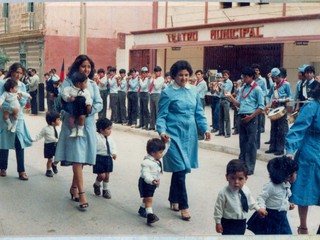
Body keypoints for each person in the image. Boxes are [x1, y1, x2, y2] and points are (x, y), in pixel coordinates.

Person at [156, 60, 211, 221]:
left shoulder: (193, 91)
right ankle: (184, 205)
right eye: (180, 75)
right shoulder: (167, 93)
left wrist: (205, 128)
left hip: (190, 136)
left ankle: (173, 198)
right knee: (180, 169)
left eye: (187, 75)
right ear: (174, 76)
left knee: (182, 170)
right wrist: (162, 131)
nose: (184, 78)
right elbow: (161, 116)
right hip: (173, 136)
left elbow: (199, 113)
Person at [55, 55, 102, 210]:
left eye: (89, 67)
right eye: (83, 66)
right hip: (72, 123)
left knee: (81, 158)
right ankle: (82, 193)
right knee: (76, 157)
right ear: (77, 67)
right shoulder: (69, 82)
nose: (86, 70)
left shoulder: (93, 84)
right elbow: (61, 101)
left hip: (87, 124)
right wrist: (75, 109)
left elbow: (99, 103)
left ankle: (74, 187)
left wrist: (88, 111)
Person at [285, 80, 320, 235]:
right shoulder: (312, 106)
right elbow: (297, 130)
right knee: (304, 190)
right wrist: (290, 151)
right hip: (310, 154)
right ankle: (303, 226)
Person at [225, 67, 264, 175]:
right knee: (242, 143)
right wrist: (230, 98)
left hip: (251, 118)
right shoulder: (242, 88)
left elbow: (261, 107)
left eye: (245, 77)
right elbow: (239, 104)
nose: (243, 79)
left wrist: (251, 117)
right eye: (243, 77)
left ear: (251, 77)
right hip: (241, 116)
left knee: (251, 143)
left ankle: (250, 167)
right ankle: (241, 166)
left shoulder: (257, 89)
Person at [248, 156, 298, 235]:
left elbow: (282, 200)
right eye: (295, 173)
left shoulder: (286, 184)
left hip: (282, 216)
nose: (296, 175)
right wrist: (262, 208)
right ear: (288, 176)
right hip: (270, 216)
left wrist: (288, 205)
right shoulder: (271, 186)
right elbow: (261, 197)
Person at [214, 159, 266, 235]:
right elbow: (218, 209)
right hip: (228, 222)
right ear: (227, 177)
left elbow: (250, 201)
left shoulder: (246, 190)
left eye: (240, 178)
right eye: (233, 178)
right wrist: (218, 223)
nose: (236, 182)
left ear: (246, 179)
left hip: (241, 222)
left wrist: (258, 209)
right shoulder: (223, 193)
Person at [0, 63, 33, 180]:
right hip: (5, 116)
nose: (18, 75)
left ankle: (21, 170)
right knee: (4, 142)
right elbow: (1, 100)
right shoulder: (3, 83)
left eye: (21, 73)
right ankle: (2, 167)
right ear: (11, 71)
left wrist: (21, 100)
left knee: (19, 141)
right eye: (16, 72)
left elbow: (24, 103)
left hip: (18, 117)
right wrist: (11, 108)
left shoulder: (22, 86)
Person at [138, 138, 168, 225]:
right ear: (153, 153)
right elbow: (145, 174)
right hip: (146, 183)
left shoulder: (156, 158)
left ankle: (142, 209)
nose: (162, 154)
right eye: (160, 152)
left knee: (147, 198)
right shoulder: (146, 162)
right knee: (149, 199)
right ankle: (150, 216)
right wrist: (151, 180)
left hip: (153, 183)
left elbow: (165, 151)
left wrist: (167, 143)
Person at [265, 67, 291, 156]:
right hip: (274, 106)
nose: (275, 80)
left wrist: (285, 99)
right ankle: (272, 147)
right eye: (273, 78)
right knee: (273, 127)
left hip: (282, 106)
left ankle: (280, 149)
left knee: (281, 129)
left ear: (280, 76)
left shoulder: (286, 84)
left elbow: (290, 96)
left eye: (276, 78)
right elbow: (268, 95)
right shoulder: (273, 85)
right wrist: (268, 103)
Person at [61, 72, 92, 137]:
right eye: (85, 83)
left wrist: (88, 105)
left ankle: (80, 129)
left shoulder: (86, 91)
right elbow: (64, 94)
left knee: (82, 117)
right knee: (70, 118)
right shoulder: (69, 89)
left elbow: (88, 99)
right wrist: (68, 98)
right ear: (78, 83)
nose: (86, 85)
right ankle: (73, 130)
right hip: (73, 108)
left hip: (81, 109)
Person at [92, 118, 117, 199]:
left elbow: (113, 146)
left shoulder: (110, 138)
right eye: (108, 129)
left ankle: (105, 189)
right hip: (98, 157)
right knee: (102, 175)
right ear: (101, 130)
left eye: (110, 129)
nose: (110, 131)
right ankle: (97, 184)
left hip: (108, 158)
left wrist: (114, 153)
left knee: (107, 175)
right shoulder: (96, 137)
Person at [32, 111, 61, 177]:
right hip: (49, 145)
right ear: (53, 122)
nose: (60, 121)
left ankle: (54, 165)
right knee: (50, 159)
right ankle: (48, 170)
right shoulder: (45, 129)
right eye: (58, 119)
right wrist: (33, 139)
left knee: (58, 157)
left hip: (57, 144)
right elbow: (39, 136)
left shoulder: (59, 128)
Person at [216, 70, 233, 138]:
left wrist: (221, 85)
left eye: (226, 75)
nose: (224, 76)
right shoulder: (222, 82)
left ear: (228, 75)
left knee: (226, 117)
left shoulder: (229, 82)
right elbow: (219, 93)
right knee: (220, 117)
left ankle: (228, 133)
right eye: (223, 75)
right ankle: (221, 131)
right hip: (221, 99)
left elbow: (225, 92)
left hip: (226, 100)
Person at [149, 66, 164, 131]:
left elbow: (157, 87)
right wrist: (151, 79)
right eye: (156, 71)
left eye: (159, 71)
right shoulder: (153, 78)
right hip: (151, 94)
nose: (158, 73)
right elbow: (149, 85)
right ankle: (152, 125)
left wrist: (154, 79)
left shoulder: (161, 79)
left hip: (157, 94)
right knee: (152, 110)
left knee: (157, 111)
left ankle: (158, 127)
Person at [195, 70, 208, 140]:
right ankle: (198, 133)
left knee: (200, 117)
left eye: (199, 74)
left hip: (201, 99)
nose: (197, 76)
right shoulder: (197, 82)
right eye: (197, 74)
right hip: (196, 99)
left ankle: (201, 134)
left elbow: (196, 90)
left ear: (202, 75)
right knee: (196, 117)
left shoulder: (203, 83)